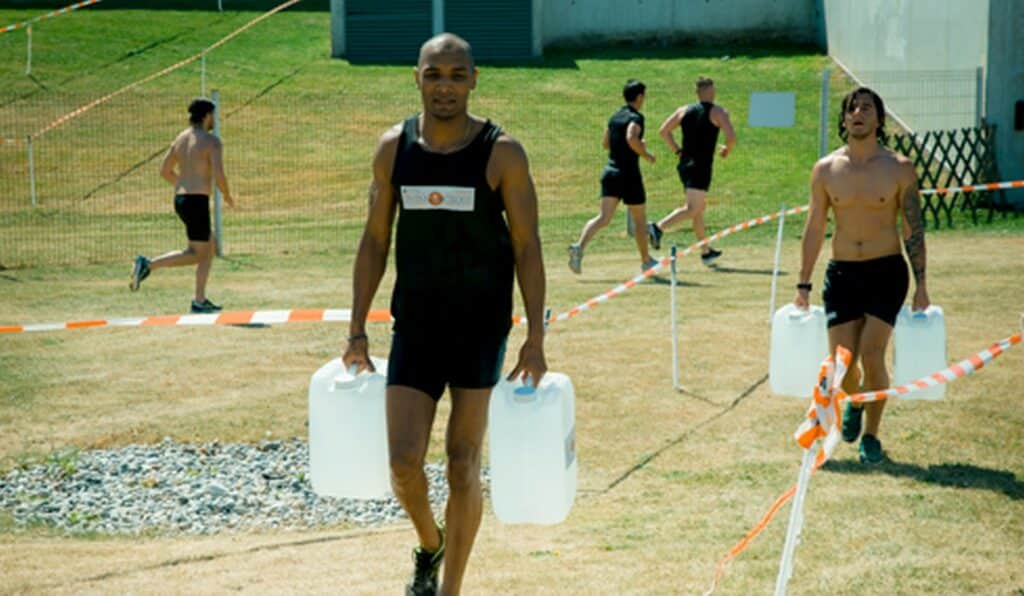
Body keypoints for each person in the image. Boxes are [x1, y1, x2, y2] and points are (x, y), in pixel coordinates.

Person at [342, 33, 548, 596]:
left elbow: (528, 247)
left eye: (457, 75)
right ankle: (429, 544)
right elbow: (375, 240)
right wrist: (356, 329)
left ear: (474, 79)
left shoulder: (502, 152)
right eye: (435, 74)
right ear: (417, 78)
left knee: (462, 463)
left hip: (481, 329)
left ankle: (449, 590)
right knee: (404, 463)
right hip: (416, 327)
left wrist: (536, 337)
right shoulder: (394, 149)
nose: (445, 86)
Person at [794, 87, 930, 464]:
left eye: (866, 108)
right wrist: (803, 284)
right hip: (842, 274)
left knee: (872, 355)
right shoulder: (825, 170)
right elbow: (814, 227)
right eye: (852, 108)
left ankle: (871, 436)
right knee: (842, 362)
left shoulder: (899, 168)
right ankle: (853, 405)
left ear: (879, 119)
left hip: (886, 271)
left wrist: (922, 285)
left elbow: (913, 229)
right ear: (843, 119)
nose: (858, 113)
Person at [129, 98, 236, 313]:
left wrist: (184, 184)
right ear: (206, 116)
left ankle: (200, 300)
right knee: (197, 253)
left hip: (181, 199)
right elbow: (219, 175)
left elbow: (164, 171)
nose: (215, 119)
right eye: (213, 115)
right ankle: (148, 265)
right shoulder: (212, 141)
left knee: (210, 245)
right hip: (196, 201)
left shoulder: (180, 138)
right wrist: (227, 195)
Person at [568, 79, 657, 274]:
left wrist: (633, 145)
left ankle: (579, 248)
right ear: (640, 97)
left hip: (610, 171)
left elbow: (606, 143)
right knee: (640, 219)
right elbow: (631, 137)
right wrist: (645, 153)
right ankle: (646, 260)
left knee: (603, 217)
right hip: (629, 174)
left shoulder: (615, 115)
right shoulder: (637, 117)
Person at [647, 76, 736, 266]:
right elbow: (731, 137)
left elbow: (664, 131)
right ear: (710, 92)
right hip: (700, 166)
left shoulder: (683, 110)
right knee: (693, 208)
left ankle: (705, 251)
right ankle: (658, 227)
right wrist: (726, 150)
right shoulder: (718, 111)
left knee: (698, 210)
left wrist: (677, 150)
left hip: (685, 165)